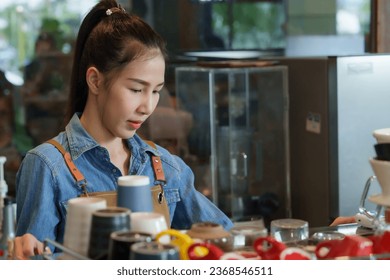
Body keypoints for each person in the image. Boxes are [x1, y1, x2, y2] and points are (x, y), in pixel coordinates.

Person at [13, 0, 233, 260]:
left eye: (156, 91)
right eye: (137, 89)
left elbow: (226, 241)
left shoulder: (165, 168)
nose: (147, 106)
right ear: (95, 80)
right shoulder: (47, 167)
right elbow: (32, 260)